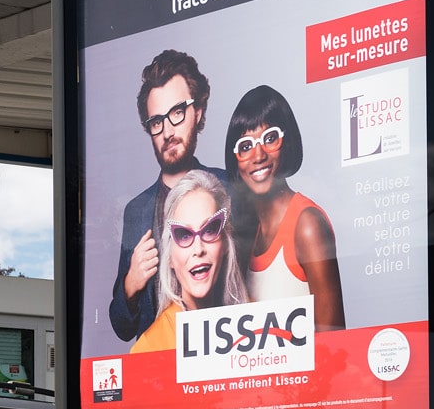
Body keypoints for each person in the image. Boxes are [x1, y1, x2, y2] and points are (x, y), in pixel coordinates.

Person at [224, 84, 346, 329]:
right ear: (235, 160)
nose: (258, 156)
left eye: (270, 139)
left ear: (287, 142)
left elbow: (335, 344)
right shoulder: (247, 235)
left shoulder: (307, 224)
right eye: (245, 146)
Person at [109, 49, 211, 342]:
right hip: (156, 370)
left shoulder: (228, 186)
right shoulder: (137, 211)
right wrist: (131, 284)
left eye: (177, 113)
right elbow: (122, 327)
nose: (167, 131)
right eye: (156, 122)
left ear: (198, 112)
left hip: (222, 368)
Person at [131, 170, 248, 354]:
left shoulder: (258, 323)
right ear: (169, 256)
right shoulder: (148, 349)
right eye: (183, 235)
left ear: (225, 243)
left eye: (210, 230)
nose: (198, 249)